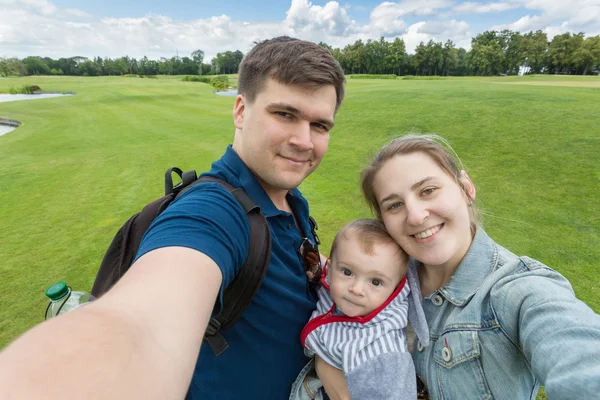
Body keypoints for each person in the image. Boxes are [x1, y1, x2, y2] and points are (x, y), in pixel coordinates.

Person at [0, 36, 346, 399]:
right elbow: (140, 323)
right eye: (285, 114)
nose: (304, 141)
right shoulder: (212, 211)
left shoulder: (290, 199)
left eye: (319, 125)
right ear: (241, 110)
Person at [316, 133, 600, 399]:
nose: (415, 216)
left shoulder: (518, 290)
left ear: (466, 188)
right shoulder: (380, 275)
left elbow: (579, 353)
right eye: (394, 205)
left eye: (428, 190)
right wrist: (326, 364)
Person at [290, 218, 429, 400]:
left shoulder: (382, 353)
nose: (356, 289)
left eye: (375, 282)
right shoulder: (336, 289)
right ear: (331, 271)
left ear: (394, 291)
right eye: (348, 272)